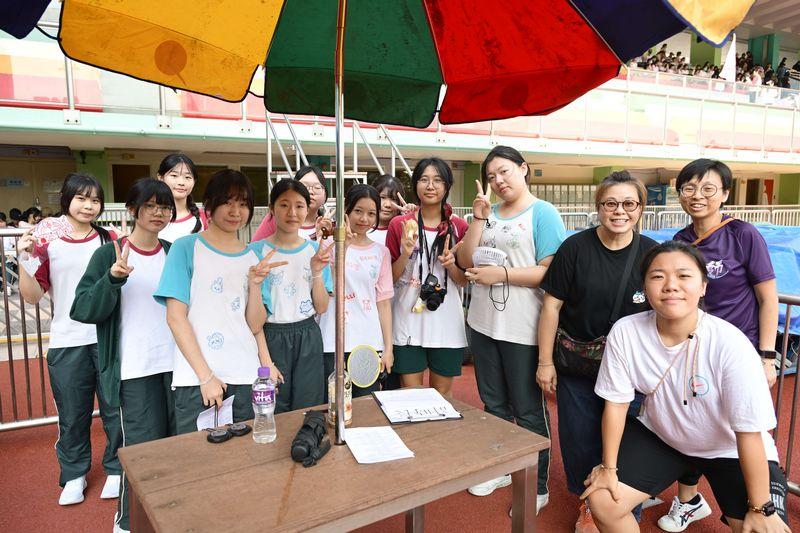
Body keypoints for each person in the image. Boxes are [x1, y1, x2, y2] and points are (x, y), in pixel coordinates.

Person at [582, 241, 791, 533]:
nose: (670, 285)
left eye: (683, 276)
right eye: (658, 276)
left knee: (761, 529)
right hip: (664, 438)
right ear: (644, 287)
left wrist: (759, 507)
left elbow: (748, 432)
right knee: (603, 500)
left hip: (728, 448)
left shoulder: (730, 344)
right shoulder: (626, 331)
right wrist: (608, 468)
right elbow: (616, 404)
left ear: (703, 286)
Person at [659, 158, 779, 531]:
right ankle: (689, 501)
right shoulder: (680, 241)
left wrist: (767, 356)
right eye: (689, 188)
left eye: (708, 188)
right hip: (692, 352)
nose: (698, 195)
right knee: (692, 421)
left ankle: (757, 506)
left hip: (738, 356)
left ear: (725, 194)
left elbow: (768, 298)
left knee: (743, 429)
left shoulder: (743, 234)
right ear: (680, 194)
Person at [537, 171, 657, 533]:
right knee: (579, 438)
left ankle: (622, 506)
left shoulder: (652, 253)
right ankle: (588, 505)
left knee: (627, 440)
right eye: (611, 203)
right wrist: (545, 362)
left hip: (632, 371)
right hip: (578, 365)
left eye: (629, 203)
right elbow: (551, 306)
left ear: (641, 208)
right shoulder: (575, 248)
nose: (620, 211)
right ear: (598, 207)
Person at [457, 146, 565, 513]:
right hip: (483, 324)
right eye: (491, 176)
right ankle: (501, 468)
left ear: (523, 168)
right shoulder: (487, 214)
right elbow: (466, 261)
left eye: (504, 171)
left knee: (529, 409)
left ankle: (536, 485)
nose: (498, 181)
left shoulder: (543, 213)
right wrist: (478, 218)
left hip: (523, 328)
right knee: (493, 403)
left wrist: (501, 275)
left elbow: (550, 272)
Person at [70, 178, 177, 533]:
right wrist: (112, 279)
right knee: (142, 452)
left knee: (177, 449)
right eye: (151, 206)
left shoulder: (173, 252)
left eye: (165, 207)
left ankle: (170, 518)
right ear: (132, 210)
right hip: (134, 370)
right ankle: (128, 523)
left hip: (178, 369)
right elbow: (82, 308)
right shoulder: (109, 253)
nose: (159, 213)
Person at [16, 173, 121, 506]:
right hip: (66, 341)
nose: (89, 206)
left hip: (107, 339)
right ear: (67, 199)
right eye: (81, 198)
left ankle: (117, 467)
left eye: (95, 200)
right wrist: (23, 259)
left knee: (115, 408)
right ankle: (74, 474)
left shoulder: (109, 239)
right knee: (72, 414)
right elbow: (32, 296)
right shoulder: (48, 241)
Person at [154, 170, 280, 434]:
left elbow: (255, 325)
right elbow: (175, 318)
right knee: (198, 456)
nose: (236, 211)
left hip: (245, 376)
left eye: (243, 204)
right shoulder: (185, 248)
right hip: (198, 379)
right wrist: (206, 377)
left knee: (245, 455)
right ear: (209, 205)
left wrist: (255, 285)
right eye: (227, 202)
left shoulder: (253, 258)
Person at [385, 157, 468, 397]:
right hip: (407, 322)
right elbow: (389, 280)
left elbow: (463, 281)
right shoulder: (399, 224)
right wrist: (405, 254)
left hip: (446, 325)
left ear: (447, 185)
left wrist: (451, 266)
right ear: (415, 185)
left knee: (442, 397)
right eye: (424, 179)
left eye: (437, 180)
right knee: (410, 397)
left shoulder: (459, 227)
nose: (430, 186)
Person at [253, 178, 333, 413]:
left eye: (299, 206)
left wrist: (316, 271)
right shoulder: (255, 251)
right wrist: (266, 360)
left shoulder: (315, 251)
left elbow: (322, 307)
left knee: (309, 407)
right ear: (271, 208)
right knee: (273, 408)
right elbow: (252, 317)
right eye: (284, 205)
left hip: (308, 335)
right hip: (270, 336)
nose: (292, 213)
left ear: (308, 209)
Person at [319, 184, 394, 398]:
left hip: (368, 343)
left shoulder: (381, 252)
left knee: (366, 405)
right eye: (358, 211)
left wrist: (388, 348)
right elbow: (329, 288)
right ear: (347, 210)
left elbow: (383, 303)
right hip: (332, 340)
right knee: (333, 404)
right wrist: (342, 248)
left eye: (371, 213)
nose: (364, 219)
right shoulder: (327, 245)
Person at [252, 166, 332, 242]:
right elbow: (256, 248)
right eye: (304, 186)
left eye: (317, 187)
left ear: (325, 195)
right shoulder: (276, 218)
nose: (310, 192)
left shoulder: (329, 225)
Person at [156, 153, 207, 242]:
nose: (181, 182)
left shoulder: (205, 218)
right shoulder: (151, 216)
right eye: (174, 176)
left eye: (187, 177)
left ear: (194, 181)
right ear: (160, 178)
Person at [370, 174, 413, 246]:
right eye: (382, 197)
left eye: (394, 199)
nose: (388, 205)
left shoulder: (404, 230)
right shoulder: (360, 228)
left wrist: (411, 217)